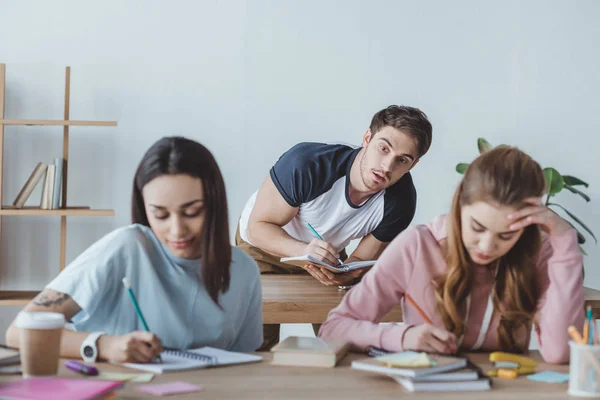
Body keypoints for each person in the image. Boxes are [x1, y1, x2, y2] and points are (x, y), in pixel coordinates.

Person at [6, 136, 263, 363]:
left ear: (215, 204)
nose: (177, 230)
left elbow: (245, 363)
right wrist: (103, 345)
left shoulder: (244, 271)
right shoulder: (126, 247)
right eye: (160, 215)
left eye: (191, 212)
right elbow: (18, 332)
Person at [319, 146, 584, 363]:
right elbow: (334, 328)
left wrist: (565, 239)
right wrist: (402, 337)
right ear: (459, 207)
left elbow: (560, 351)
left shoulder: (540, 253)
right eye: (477, 227)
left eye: (506, 236)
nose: (486, 246)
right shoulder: (418, 245)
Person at [236, 105, 433, 350]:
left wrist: (346, 271)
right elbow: (259, 227)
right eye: (383, 148)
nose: (386, 167)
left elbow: (361, 258)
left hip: (324, 253)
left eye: (402, 160)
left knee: (340, 339)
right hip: (263, 246)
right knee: (258, 341)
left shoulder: (400, 203)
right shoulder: (307, 164)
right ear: (367, 138)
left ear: (412, 165)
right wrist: (304, 250)